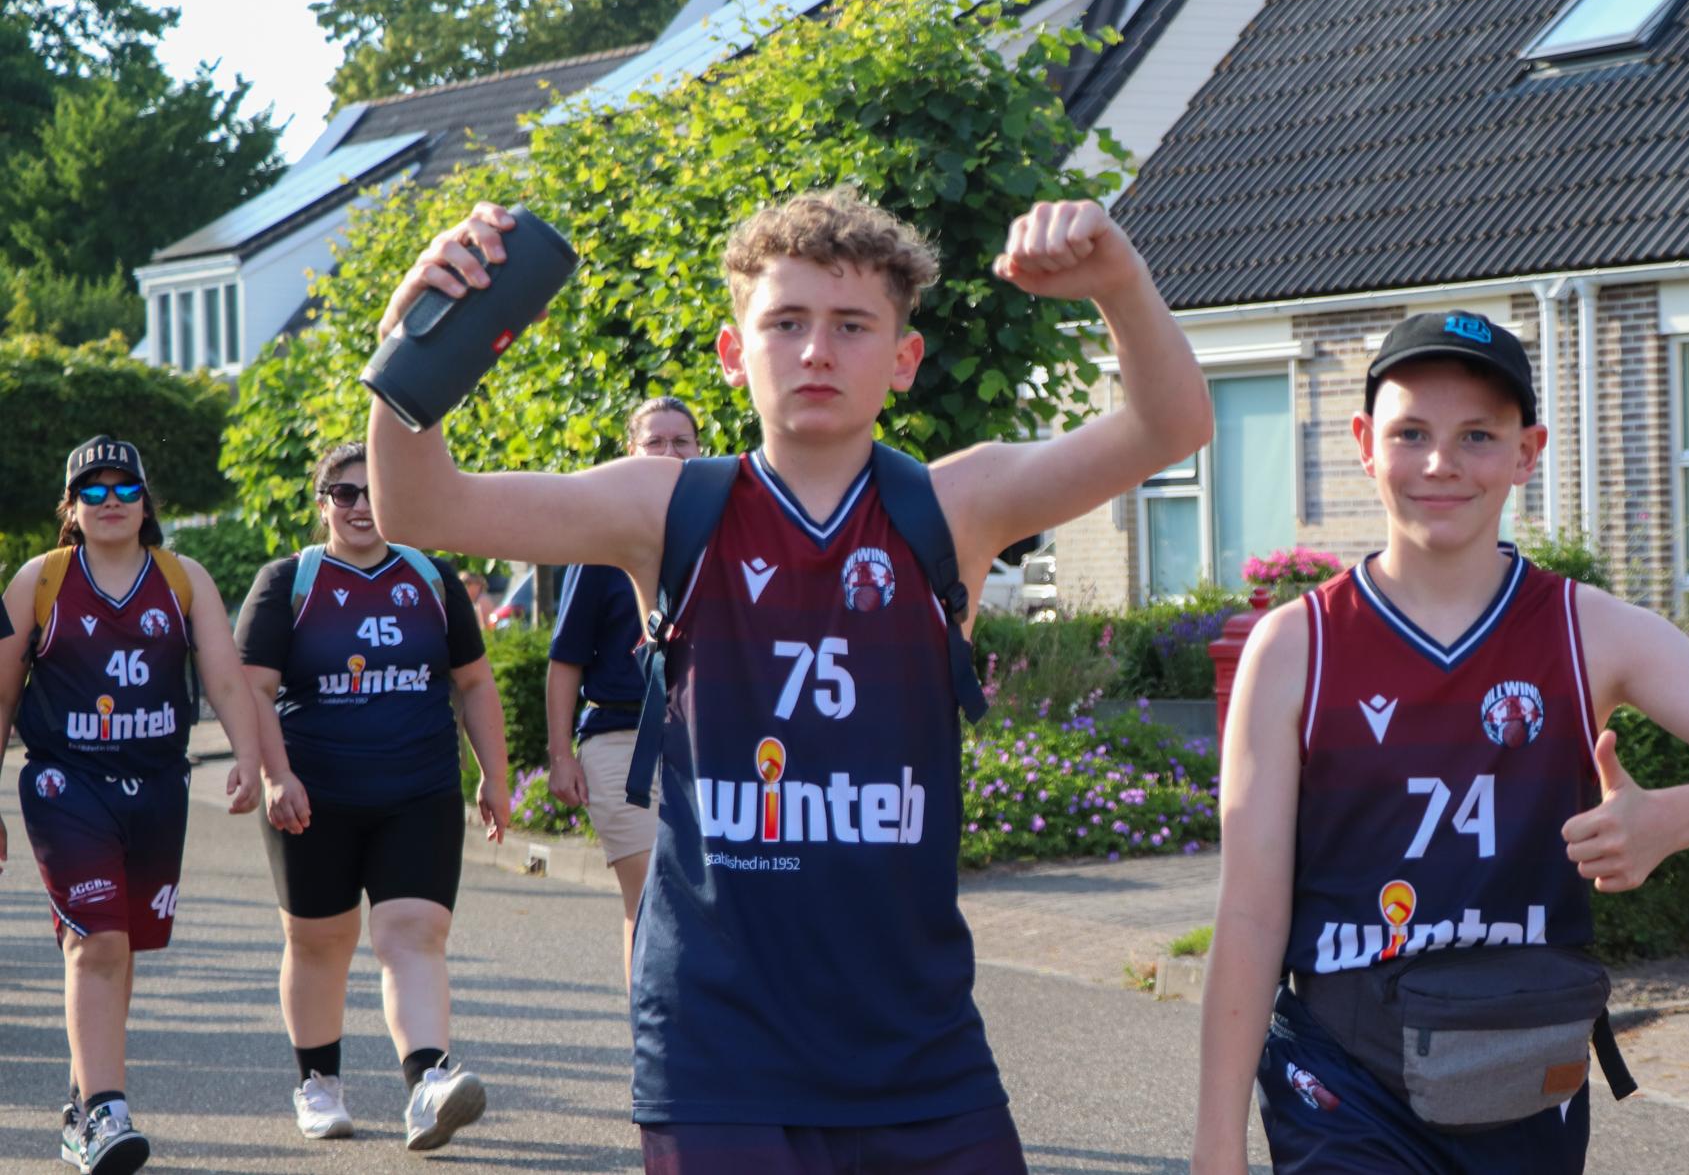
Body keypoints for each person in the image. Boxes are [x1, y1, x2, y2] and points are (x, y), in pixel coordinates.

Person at [365, 191, 1211, 1172]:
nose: (816, 350)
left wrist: (1117, 281)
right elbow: (420, 507)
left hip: (920, 1050)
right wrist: (416, 336)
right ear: (735, 352)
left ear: (903, 359)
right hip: (717, 1053)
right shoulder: (665, 505)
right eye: (786, 322)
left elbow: (1170, 424)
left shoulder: (953, 506)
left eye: (851, 326)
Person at [1190, 312, 1689, 1175]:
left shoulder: (1589, 630)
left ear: (1527, 452)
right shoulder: (1295, 646)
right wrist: (1216, 1144)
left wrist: (1671, 821)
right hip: (1342, 1079)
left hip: (1521, 1072)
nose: (1441, 461)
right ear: (1364, 443)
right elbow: (1250, 913)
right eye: (1411, 433)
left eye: (1477, 434)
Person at [233, 441, 513, 1151]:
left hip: (418, 790)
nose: (360, 505)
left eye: (373, 490)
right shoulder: (288, 582)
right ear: (322, 502)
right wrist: (275, 775)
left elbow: (474, 682)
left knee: (414, 933)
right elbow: (252, 691)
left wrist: (495, 774)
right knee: (319, 941)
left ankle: (427, 1085)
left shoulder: (432, 578)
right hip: (313, 794)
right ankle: (318, 1084)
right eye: (344, 492)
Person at [0, 436, 266, 1175]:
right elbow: (1, 693)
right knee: (98, 943)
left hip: (156, 788)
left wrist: (250, 759)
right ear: (71, 507)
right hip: (65, 784)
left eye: (125, 488)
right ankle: (104, 1113)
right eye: (93, 489)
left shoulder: (182, 578)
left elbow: (225, 675)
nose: (110, 500)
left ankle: (81, 1102)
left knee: (119, 945)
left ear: (147, 503)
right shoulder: (38, 580)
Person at [547, 396, 700, 983]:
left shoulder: (719, 540)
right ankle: (654, 1024)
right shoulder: (601, 547)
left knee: (708, 898)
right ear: (630, 453)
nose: (668, 452)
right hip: (619, 738)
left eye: (680, 441)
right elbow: (565, 660)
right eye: (654, 442)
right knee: (654, 894)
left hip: (704, 743)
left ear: (699, 451)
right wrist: (560, 756)